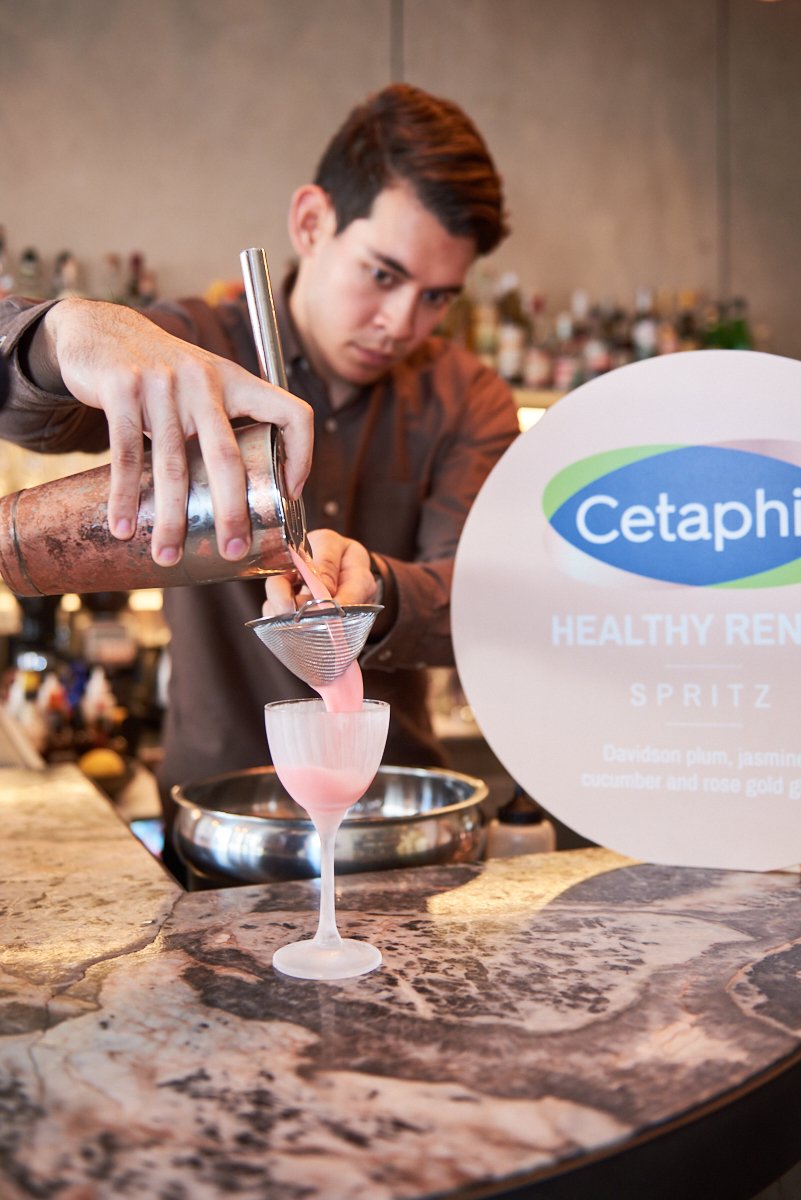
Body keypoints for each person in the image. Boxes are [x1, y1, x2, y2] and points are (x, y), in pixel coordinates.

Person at [0, 83, 520, 866]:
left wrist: (375, 587)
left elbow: (476, 603)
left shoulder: (466, 397)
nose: (402, 323)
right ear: (311, 222)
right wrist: (64, 333)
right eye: (383, 275)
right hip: (217, 833)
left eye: (436, 296)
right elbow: (33, 416)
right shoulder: (194, 346)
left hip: (397, 836)